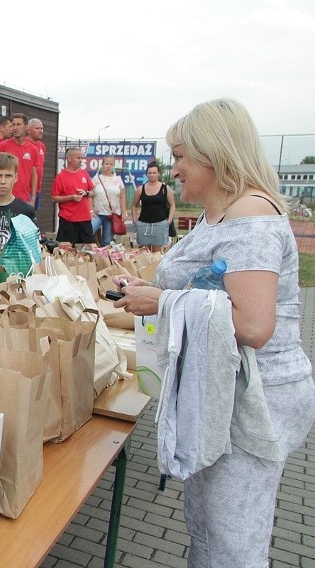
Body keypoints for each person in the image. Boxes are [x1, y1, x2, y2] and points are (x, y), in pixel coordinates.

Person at [113, 98, 315, 568]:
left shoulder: (252, 220)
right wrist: (153, 288)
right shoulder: (219, 213)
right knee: (206, 524)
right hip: (222, 389)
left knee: (233, 540)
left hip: (254, 400)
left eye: (181, 155)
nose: (174, 167)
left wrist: (162, 303)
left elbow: (253, 325)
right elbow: (208, 285)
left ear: (215, 154)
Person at [51, 147, 95, 244]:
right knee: (67, 249)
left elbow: (93, 192)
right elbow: (54, 198)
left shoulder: (84, 174)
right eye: (78, 158)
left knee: (88, 248)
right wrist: (71, 197)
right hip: (68, 219)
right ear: (69, 159)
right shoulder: (60, 177)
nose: (81, 161)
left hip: (85, 219)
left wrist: (86, 193)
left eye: (81, 158)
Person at [132, 161, 175, 251]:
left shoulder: (165, 188)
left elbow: (172, 205)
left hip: (160, 224)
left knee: (157, 253)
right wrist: (135, 220)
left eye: (154, 173)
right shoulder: (140, 189)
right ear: (147, 174)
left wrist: (169, 220)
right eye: (150, 173)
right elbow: (134, 205)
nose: (152, 175)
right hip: (143, 224)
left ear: (158, 173)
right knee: (144, 252)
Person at [0, 113, 37, 204]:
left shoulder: (33, 149)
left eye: (18, 124)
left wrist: (33, 198)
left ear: (26, 126)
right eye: (13, 125)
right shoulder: (3, 146)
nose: (15, 128)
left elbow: (34, 175)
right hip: (5, 198)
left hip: (25, 199)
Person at [90, 156, 128, 245]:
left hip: (111, 215)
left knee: (107, 240)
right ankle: (91, 251)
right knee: (88, 231)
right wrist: (91, 210)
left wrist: (123, 212)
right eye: (106, 164)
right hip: (97, 213)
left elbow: (122, 196)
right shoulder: (96, 179)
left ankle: (104, 256)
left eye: (111, 164)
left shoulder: (118, 179)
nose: (109, 166)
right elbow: (90, 195)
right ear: (102, 165)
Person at [26, 118, 46, 208]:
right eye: (37, 128)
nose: (40, 131)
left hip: (37, 188)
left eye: (41, 128)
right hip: (26, 189)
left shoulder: (42, 146)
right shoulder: (24, 144)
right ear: (29, 130)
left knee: (33, 215)